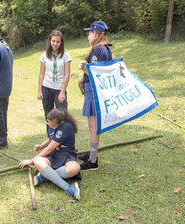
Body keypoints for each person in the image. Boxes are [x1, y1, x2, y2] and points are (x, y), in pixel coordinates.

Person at [19, 108, 81, 200]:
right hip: (54, 154)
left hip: (67, 154)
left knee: (75, 168)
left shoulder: (66, 127)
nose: (51, 127)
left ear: (61, 122)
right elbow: (51, 137)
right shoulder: (52, 122)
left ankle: (47, 177)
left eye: (53, 125)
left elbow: (49, 149)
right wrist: (42, 145)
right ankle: (67, 187)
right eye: (49, 124)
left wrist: (30, 161)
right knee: (38, 161)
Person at [78, 21, 112, 170]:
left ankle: (92, 161)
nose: (88, 35)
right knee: (94, 127)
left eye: (90, 33)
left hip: (94, 91)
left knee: (93, 128)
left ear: (98, 34)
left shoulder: (97, 51)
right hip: (97, 91)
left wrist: (83, 69)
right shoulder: (106, 49)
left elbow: (95, 75)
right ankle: (92, 154)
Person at [38, 30, 71, 131]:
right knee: (49, 116)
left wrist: (62, 92)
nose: (55, 44)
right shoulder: (44, 56)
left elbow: (67, 74)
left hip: (59, 89)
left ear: (61, 43)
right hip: (46, 88)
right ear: (50, 41)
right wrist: (39, 90)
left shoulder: (66, 56)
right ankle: (51, 139)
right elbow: (41, 74)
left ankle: (62, 139)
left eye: (58, 41)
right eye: (53, 41)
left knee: (62, 115)